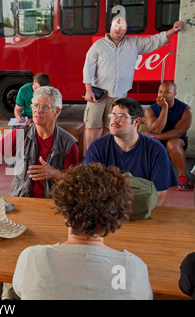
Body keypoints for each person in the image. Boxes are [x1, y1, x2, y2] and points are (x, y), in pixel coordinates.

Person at [13, 163, 153, 300]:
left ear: (64, 210)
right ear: (116, 215)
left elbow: (20, 290)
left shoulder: (32, 258)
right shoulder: (134, 268)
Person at [82, 17, 183, 152]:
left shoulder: (133, 43)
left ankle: (103, 156)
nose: (117, 30)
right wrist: (88, 90)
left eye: (121, 27)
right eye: (115, 26)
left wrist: (172, 30)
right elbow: (88, 67)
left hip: (119, 94)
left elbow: (153, 41)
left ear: (125, 29)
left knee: (110, 126)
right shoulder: (98, 45)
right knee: (92, 125)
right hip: (97, 93)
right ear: (110, 27)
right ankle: (90, 156)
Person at [84, 97, 176, 206]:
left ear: (136, 121)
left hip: (143, 213)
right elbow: (89, 189)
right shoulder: (97, 147)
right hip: (107, 215)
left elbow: (160, 196)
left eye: (121, 116)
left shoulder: (156, 150)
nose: (115, 120)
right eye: (112, 115)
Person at [144, 81, 192, 191]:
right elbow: (156, 129)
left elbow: (178, 132)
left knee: (172, 143)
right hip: (157, 141)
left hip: (176, 141)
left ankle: (182, 177)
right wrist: (164, 109)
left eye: (166, 92)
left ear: (174, 94)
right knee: (153, 145)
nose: (162, 95)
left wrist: (155, 136)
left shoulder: (186, 110)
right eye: (160, 92)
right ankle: (153, 178)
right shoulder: (151, 110)